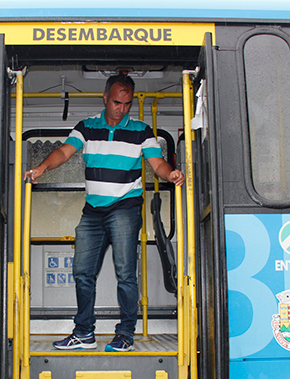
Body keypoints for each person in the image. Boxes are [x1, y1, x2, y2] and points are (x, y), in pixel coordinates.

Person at [24, 73, 185, 352]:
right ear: (105, 98)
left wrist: (170, 174)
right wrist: (42, 168)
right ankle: (84, 332)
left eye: (127, 103)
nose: (121, 108)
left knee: (125, 273)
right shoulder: (86, 127)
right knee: (82, 272)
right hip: (93, 211)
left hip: (125, 207)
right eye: (116, 102)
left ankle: (125, 334)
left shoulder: (142, 131)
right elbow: (64, 152)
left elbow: (156, 162)